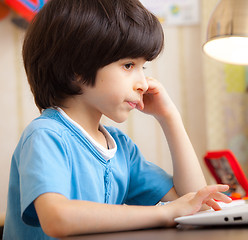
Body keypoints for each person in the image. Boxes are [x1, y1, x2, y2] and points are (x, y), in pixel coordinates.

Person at [2, 0, 232, 239]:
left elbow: (195, 202)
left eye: (144, 68)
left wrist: (169, 117)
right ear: (76, 69)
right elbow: (57, 218)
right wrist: (166, 213)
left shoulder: (121, 149)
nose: (143, 83)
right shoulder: (46, 136)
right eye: (129, 65)